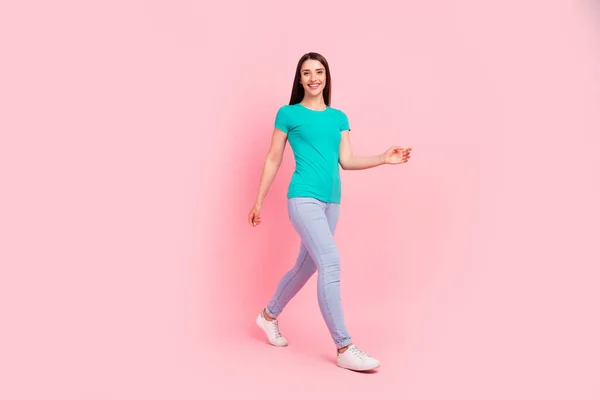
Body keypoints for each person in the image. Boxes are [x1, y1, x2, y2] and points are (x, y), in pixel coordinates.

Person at [248, 52, 412, 371]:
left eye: (319, 71)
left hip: (331, 202)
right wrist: (258, 200)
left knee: (306, 266)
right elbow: (272, 158)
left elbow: (346, 161)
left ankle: (268, 316)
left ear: (326, 77)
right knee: (330, 261)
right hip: (303, 197)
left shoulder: (339, 117)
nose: (313, 77)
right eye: (307, 72)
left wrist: (383, 157)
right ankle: (344, 346)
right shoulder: (288, 113)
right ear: (299, 79)